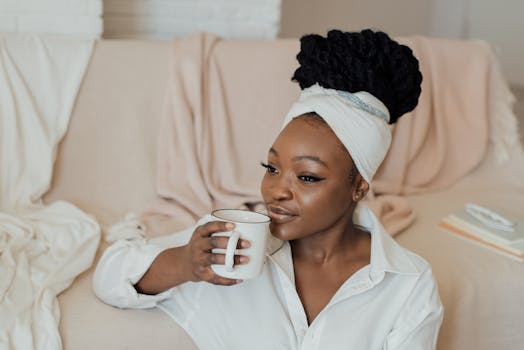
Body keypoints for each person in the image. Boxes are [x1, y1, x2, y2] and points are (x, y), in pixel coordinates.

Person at [93, 29, 443, 349]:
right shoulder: (229, 249)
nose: (277, 191)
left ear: (358, 186)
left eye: (307, 177)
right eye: (272, 168)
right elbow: (111, 277)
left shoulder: (407, 284)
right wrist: (184, 263)